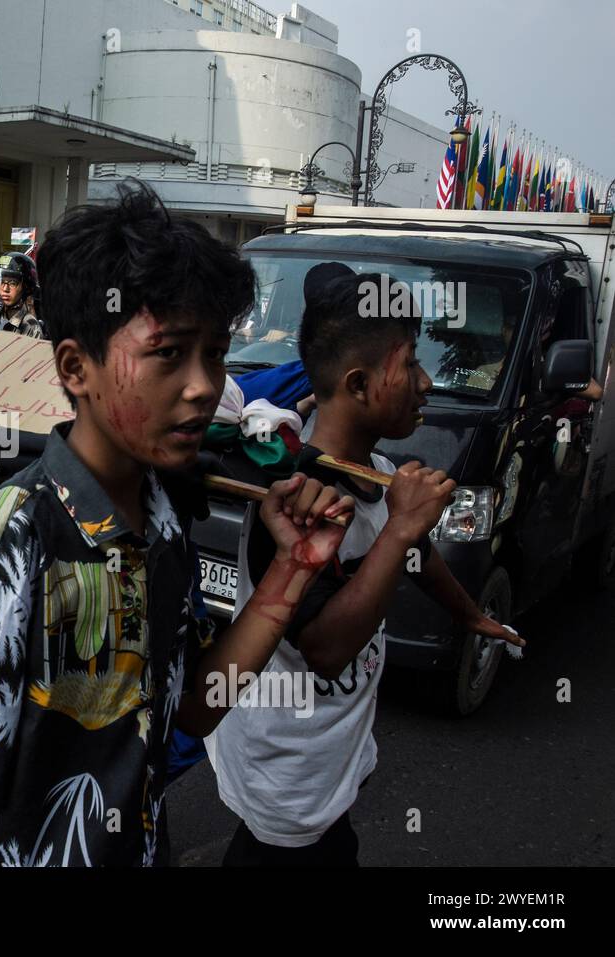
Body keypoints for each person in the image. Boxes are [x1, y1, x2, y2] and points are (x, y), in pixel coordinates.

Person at [0, 182, 357, 867]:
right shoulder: (6, 536)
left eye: (215, 353)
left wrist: (291, 571)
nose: (203, 384)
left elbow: (195, 708)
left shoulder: (163, 515)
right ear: (76, 367)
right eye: (169, 353)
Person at [205, 271, 524, 867]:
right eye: (410, 365)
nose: (426, 384)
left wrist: (469, 614)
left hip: (334, 757)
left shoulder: (375, 471)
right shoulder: (298, 497)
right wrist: (405, 523)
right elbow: (325, 650)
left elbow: (415, 556)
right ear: (357, 384)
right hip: (287, 771)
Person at [0, 251, 42, 338]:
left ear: (26, 287)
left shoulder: (30, 326)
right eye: (1, 282)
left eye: (12, 283)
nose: (5, 289)